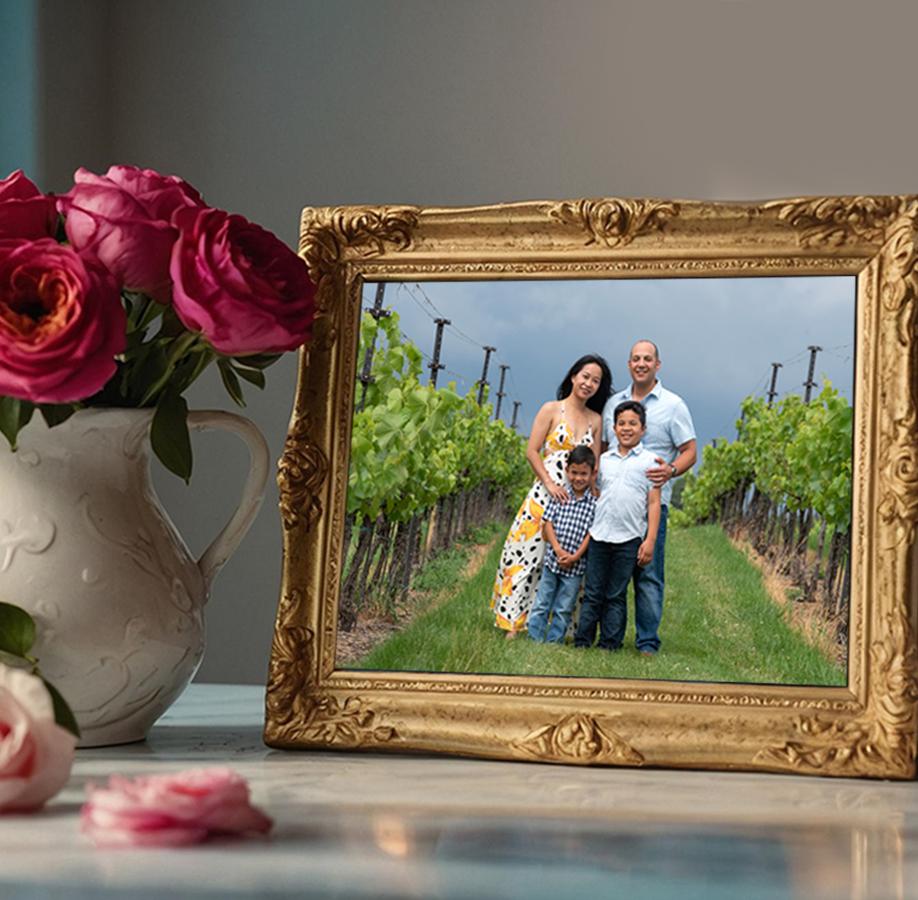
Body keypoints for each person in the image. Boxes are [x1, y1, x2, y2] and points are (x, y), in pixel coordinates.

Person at [490, 354, 612, 636]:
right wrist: (549, 483)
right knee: (528, 555)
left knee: (570, 560)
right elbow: (531, 451)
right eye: (585, 376)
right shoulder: (551, 409)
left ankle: (559, 626)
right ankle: (514, 622)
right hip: (546, 493)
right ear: (573, 376)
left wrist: (593, 492)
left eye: (596, 381)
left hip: (578, 499)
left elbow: (594, 464)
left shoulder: (595, 419)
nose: (589, 384)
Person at [602, 340, 696, 655]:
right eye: (635, 359)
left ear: (658, 365)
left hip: (653, 505)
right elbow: (604, 449)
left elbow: (690, 451)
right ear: (629, 364)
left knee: (648, 574)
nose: (641, 363)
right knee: (611, 576)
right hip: (614, 506)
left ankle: (646, 643)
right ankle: (609, 638)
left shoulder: (674, 405)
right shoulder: (614, 402)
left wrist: (670, 470)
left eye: (647, 359)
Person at [575, 401, 661, 650]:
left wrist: (650, 540)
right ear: (613, 428)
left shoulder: (650, 462)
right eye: (621, 423)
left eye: (632, 424)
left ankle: (610, 643)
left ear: (643, 429)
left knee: (615, 594)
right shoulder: (604, 460)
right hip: (600, 535)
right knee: (593, 592)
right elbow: (595, 491)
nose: (626, 428)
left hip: (629, 538)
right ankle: (583, 641)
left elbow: (653, 503)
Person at [526, 446, 596, 644]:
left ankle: (554, 640)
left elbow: (590, 535)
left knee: (564, 607)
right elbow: (548, 523)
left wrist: (575, 556)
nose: (578, 478)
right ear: (567, 471)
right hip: (552, 561)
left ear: (592, 474)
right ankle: (535, 637)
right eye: (574, 472)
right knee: (542, 602)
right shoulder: (561, 496)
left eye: (584, 474)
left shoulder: (593, 504)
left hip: (575, 566)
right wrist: (557, 549)